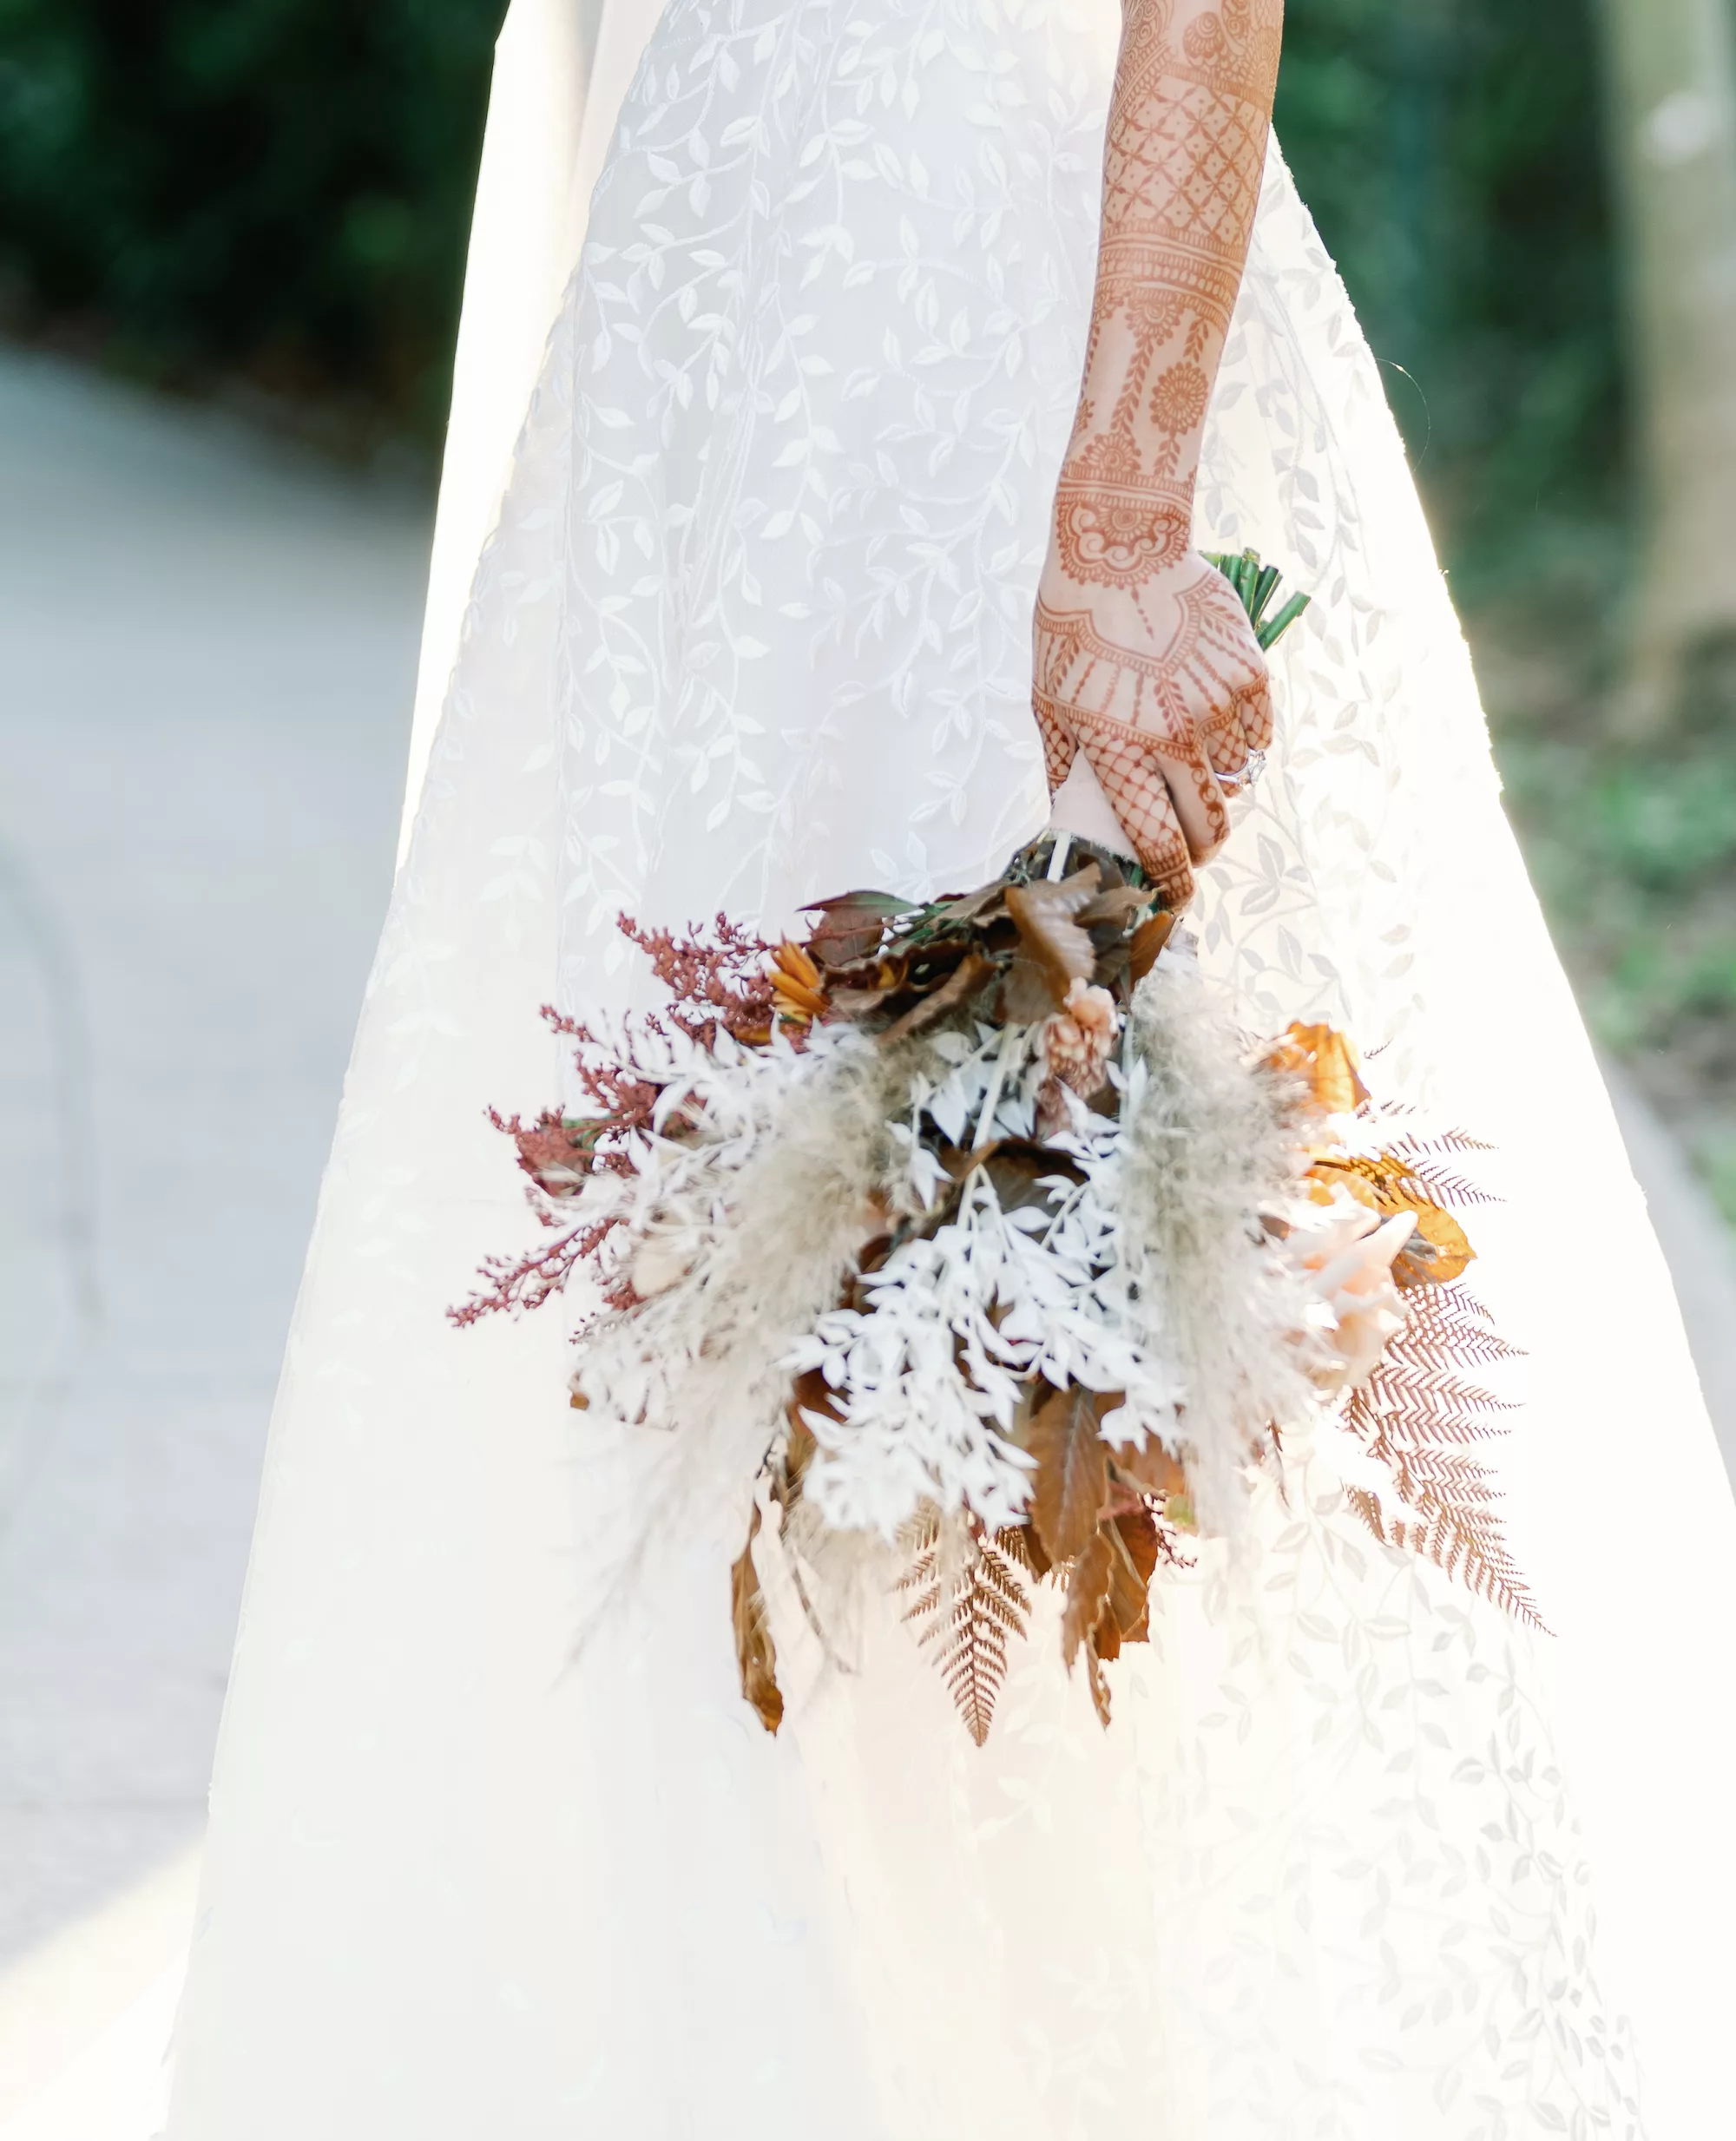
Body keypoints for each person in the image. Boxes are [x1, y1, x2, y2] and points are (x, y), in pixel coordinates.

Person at [163, 0, 1736, 2134]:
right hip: (714, 328)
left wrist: (1115, 510)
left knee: (1070, 1275)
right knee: (697, 1291)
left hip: (1004, 315)